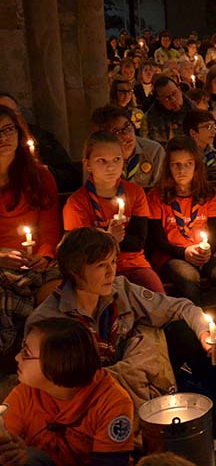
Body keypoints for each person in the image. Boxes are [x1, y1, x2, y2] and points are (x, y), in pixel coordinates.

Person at [30, 227, 216, 439]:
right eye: (101, 266)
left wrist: (205, 334)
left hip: (142, 382)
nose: (111, 273)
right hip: (95, 400)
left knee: (181, 333)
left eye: (113, 262)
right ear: (75, 271)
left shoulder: (120, 290)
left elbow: (180, 307)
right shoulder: (48, 320)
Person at [147, 137, 216, 363]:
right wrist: (184, 253)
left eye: (188, 164)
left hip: (205, 252)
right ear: (168, 167)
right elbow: (156, 239)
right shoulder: (157, 196)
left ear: (196, 166)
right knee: (189, 278)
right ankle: (197, 338)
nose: (182, 170)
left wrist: (208, 250)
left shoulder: (209, 193)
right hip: (172, 254)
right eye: (176, 165)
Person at [1, 319, 134, 466]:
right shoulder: (26, 392)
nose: (17, 357)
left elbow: (111, 463)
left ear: (57, 363)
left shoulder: (112, 402)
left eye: (26, 353)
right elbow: (6, 441)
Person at [0, 106, 62, 375]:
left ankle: (54, 371)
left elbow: (50, 226)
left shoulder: (40, 175)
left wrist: (45, 255)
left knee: (58, 303)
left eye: (7, 129)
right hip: (1, 267)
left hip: (39, 264)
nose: (2, 137)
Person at [63, 131, 164, 294]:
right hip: (95, 269)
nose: (111, 167)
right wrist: (110, 238)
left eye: (116, 159)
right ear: (87, 164)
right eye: (101, 161)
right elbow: (79, 251)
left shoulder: (135, 193)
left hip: (133, 265)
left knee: (159, 302)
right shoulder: (76, 203)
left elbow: (138, 242)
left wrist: (104, 239)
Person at [0, 94, 80, 193]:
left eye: (12, 113)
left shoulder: (42, 138)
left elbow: (71, 176)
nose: (3, 137)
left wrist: (46, 171)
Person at [91, 105, 166, 188]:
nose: (126, 135)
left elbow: (160, 191)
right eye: (117, 132)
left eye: (127, 127)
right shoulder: (97, 156)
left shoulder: (154, 151)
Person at [141, 77, 195, 145]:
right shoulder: (149, 120)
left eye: (174, 93)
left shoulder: (195, 110)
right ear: (159, 100)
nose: (173, 100)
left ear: (179, 89)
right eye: (167, 98)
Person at [183, 110, 216, 180]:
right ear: (193, 133)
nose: (214, 131)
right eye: (208, 127)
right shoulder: (183, 158)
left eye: (214, 126)